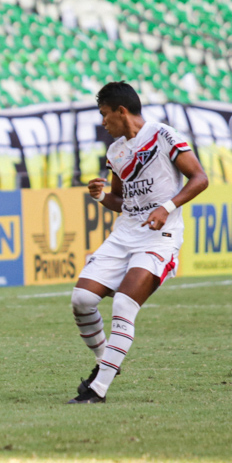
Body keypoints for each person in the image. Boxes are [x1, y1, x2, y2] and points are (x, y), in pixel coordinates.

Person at [68, 81, 209, 404]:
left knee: (123, 306)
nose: (103, 122)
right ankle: (107, 362)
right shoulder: (116, 151)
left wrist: (167, 207)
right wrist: (102, 196)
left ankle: (97, 389)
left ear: (121, 111)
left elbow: (200, 178)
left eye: (105, 115)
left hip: (160, 237)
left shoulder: (163, 135)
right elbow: (122, 200)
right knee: (81, 300)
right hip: (125, 234)